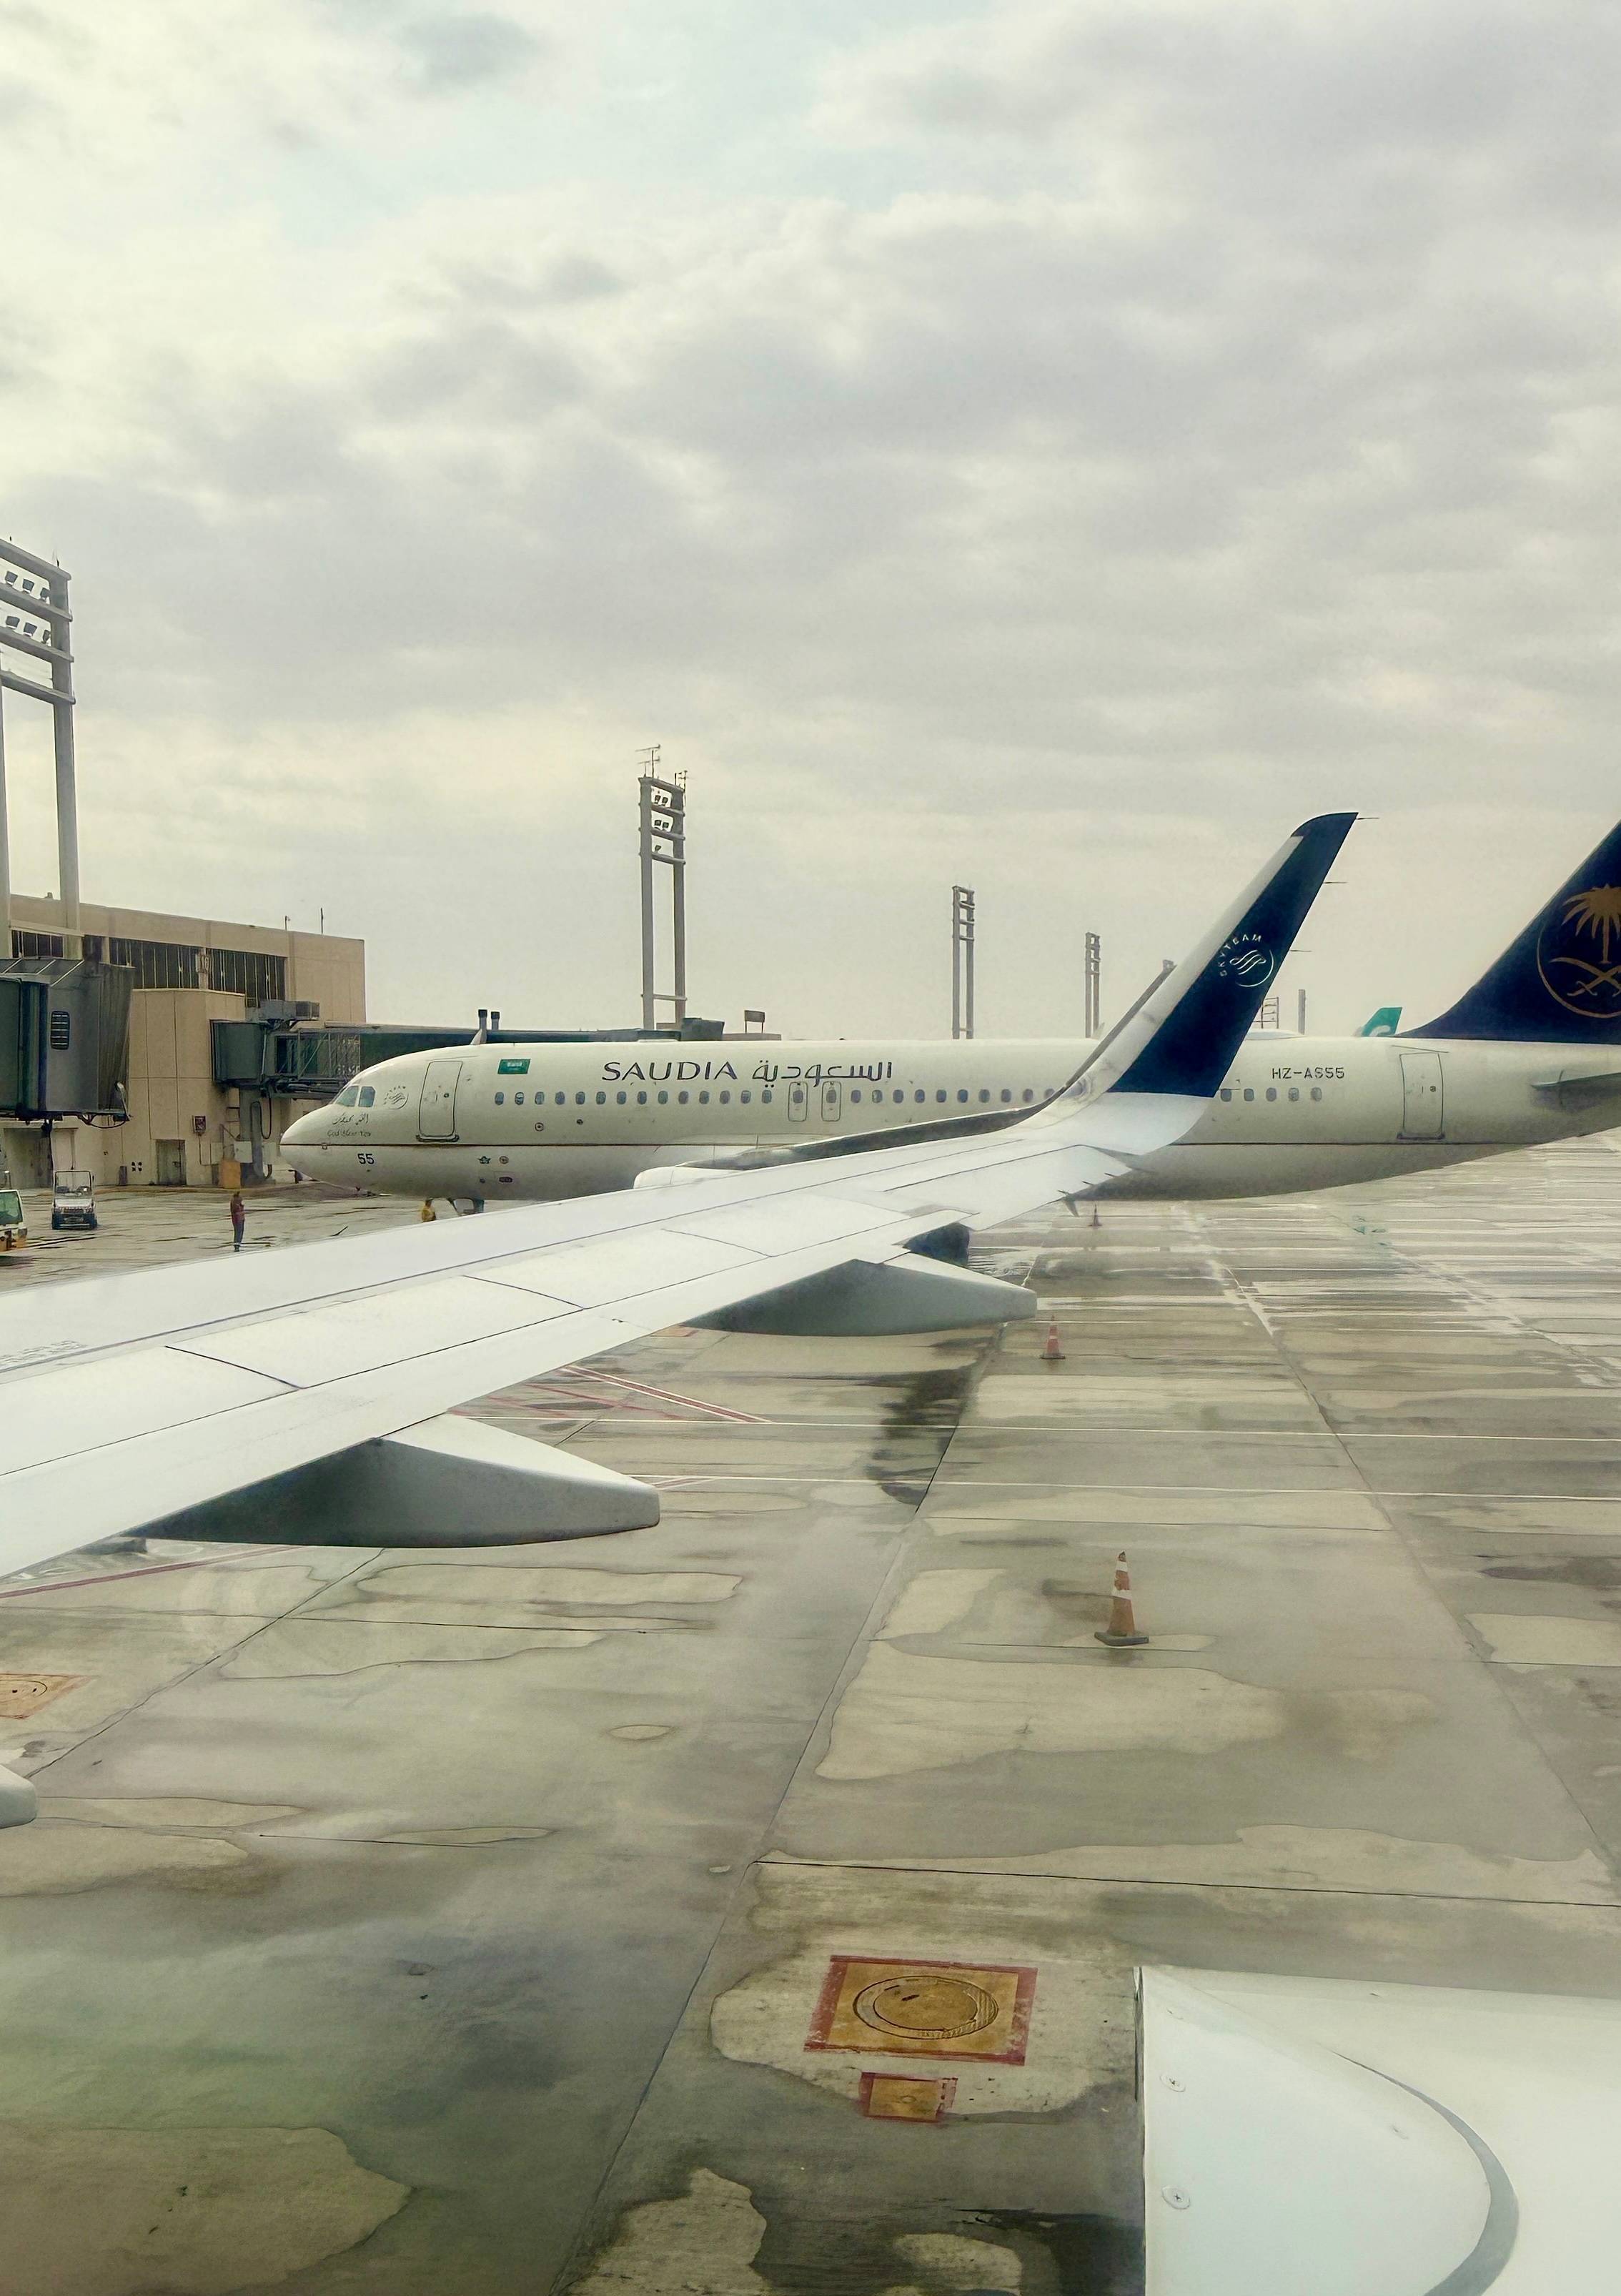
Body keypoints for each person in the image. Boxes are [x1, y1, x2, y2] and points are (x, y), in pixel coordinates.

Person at [229, 1188, 247, 1252]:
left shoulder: (236, 1203)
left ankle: (238, 1243)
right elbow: (236, 1211)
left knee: (239, 1231)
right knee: (239, 1231)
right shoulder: (236, 1204)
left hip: (240, 1219)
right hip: (238, 1219)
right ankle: (237, 1243)